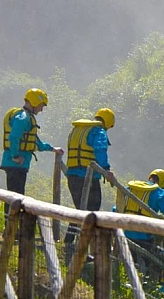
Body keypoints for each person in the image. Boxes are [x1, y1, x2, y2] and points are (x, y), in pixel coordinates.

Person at [64, 108, 115, 252]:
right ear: (108, 123)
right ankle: (84, 247)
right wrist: (106, 169)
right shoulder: (99, 131)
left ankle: (69, 241)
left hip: (72, 176)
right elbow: (100, 149)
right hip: (88, 177)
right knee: (92, 211)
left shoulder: (78, 129)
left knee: (80, 210)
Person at [0, 88, 64, 196]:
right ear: (35, 102)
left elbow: (36, 142)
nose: (41, 109)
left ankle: (12, 213)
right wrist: (15, 156)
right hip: (16, 165)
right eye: (41, 105)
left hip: (17, 165)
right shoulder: (23, 118)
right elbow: (14, 137)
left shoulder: (26, 117)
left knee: (16, 197)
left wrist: (52, 149)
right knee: (15, 198)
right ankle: (10, 214)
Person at [119, 169, 164, 290]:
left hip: (124, 235)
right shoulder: (161, 194)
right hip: (145, 239)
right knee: (149, 267)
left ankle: (125, 287)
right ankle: (145, 289)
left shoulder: (131, 189)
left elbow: (116, 209)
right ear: (163, 183)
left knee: (126, 263)